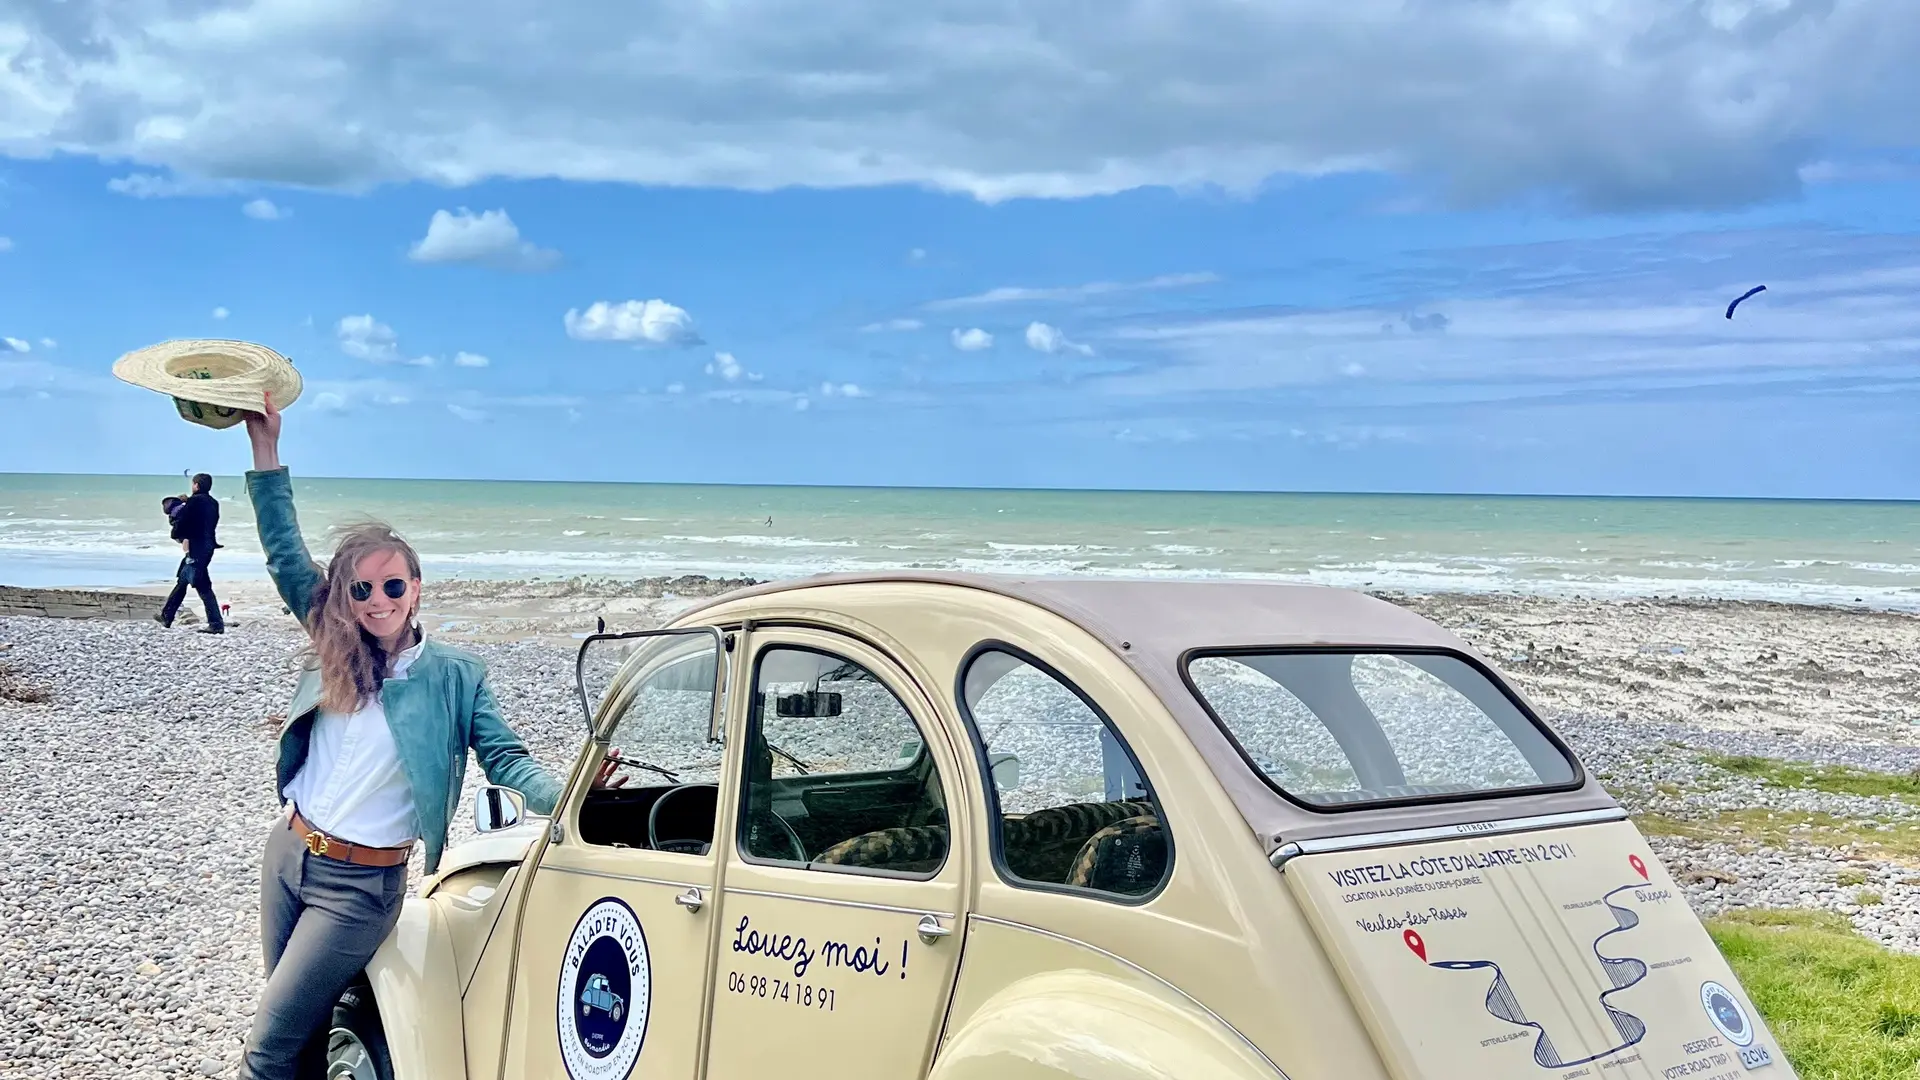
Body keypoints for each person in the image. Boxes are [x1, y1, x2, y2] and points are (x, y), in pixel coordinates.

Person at [235, 394, 628, 1079]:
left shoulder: (455, 677)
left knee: (268, 1048)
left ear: (416, 587)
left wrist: (573, 788)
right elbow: (282, 550)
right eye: (361, 590)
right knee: (298, 1038)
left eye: (392, 584)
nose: (377, 600)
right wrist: (265, 450)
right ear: (343, 598)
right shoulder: (333, 638)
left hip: (360, 888)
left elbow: (505, 758)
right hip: (289, 854)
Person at [157, 472, 225, 633]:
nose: (192, 486)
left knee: (201, 587)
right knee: (185, 581)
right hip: (207, 547)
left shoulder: (194, 502)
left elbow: (184, 521)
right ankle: (167, 617)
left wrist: (176, 534)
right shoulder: (213, 503)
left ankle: (216, 625)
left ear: (197, 485)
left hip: (196, 548)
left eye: (193, 484)